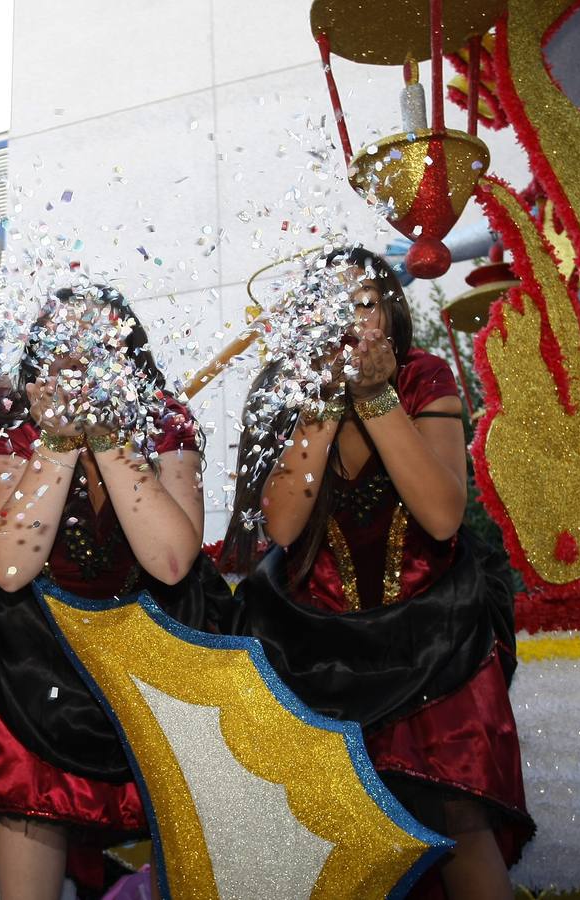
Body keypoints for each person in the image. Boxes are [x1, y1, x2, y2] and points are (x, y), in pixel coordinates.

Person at [229, 247, 533, 900]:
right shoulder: (295, 392)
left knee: (458, 816)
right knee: (343, 834)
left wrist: (375, 398)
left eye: (362, 303)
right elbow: (280, 529)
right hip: (324, 648)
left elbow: (445, 515)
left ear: (389, 313)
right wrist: (320, 400)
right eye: (331, 308)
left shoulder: (426, 376)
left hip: (435, 639)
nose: (349, 321)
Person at [0, 283, 227, 900]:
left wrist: (108, 437)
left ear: (125, 350)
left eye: (96, 335)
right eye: (61, 336)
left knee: (185, 837)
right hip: (39, 659)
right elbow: (8, 567)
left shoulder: (163, 418)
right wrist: (57, 442)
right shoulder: (19, 429)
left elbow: (170, 560)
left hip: (160, 651)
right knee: (30, 804)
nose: (78, 350)